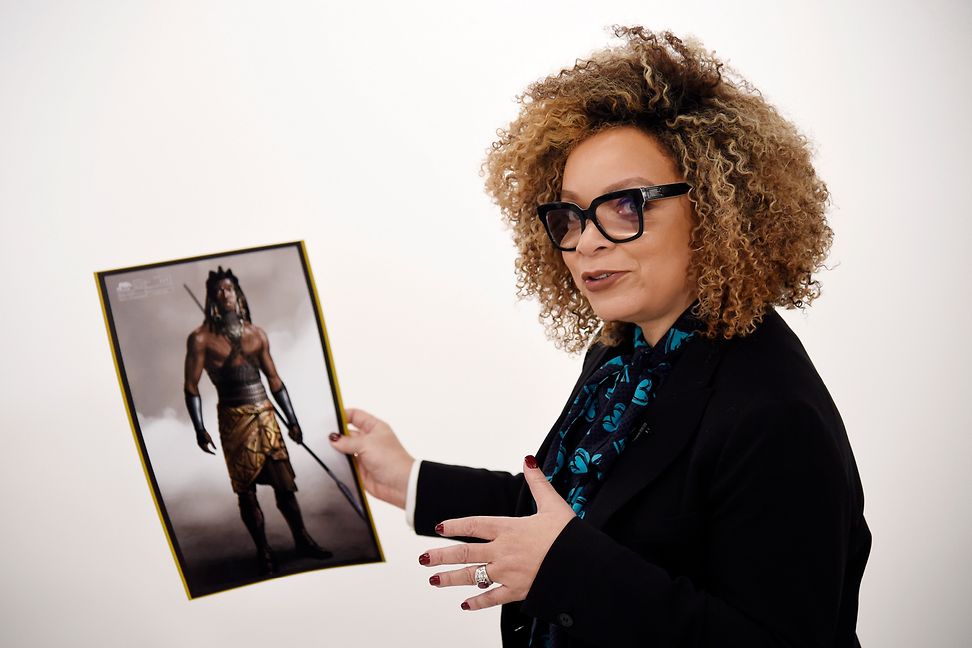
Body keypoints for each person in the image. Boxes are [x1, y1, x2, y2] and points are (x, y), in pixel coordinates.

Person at [329, 26, 870, 647]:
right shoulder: (624, 353)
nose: (585, 241)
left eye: (624, 206)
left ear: (720, 208)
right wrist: (406, 477)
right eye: (570, 213)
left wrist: (565, 570)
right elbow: (575, 505)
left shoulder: (773, 413)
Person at [184, 266, 332, 576]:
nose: (226, 295)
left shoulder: (256, 334)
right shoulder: (200, 339)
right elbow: (191, 386)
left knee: (285, 486)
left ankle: (302, 539)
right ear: (212, 297)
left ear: (238, 295)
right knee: (246, 491)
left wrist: (292, 420)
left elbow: (275, 380)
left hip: (265, 415)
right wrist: (199, 428)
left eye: (230, 290)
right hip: (233, 419)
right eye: (220, 291)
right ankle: (263, 550)